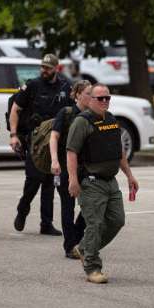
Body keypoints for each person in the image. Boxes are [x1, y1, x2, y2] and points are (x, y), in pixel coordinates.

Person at [67, 83, 139, 284]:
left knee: (117, 220)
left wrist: (129, 175)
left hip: (111, 181)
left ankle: (84, 248)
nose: (105, 101)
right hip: (91, 182)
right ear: (90, 100)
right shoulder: (81, 122)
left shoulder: (111, 120)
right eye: (101, 98)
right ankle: (92, 267)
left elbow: (119, 151)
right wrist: (73, 180)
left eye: (108, 98)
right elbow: (71, 152)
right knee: (95, 224)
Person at [9, 54, 73, 235]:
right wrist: (14, 135)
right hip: (36, 141)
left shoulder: (65, 86)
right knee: (33, 180)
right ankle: (22, 211)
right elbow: (15, 110)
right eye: (42, 67)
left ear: (56, 69)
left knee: (50, 182)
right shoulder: (32, 85)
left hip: (56, 141)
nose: (44, 70)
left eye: (48, 68)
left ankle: (46, 223)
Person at [49, 80, 91, 259]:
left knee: (90, 204)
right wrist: (54, 161)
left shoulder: (92, 115)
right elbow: (54, 137)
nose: (92, 97)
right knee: (68, 206)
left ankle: (76, 236)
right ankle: (70, 246)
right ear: (78, 94)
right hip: (66, 167)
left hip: (86, 167)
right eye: (88, 93)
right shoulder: (66, 113)